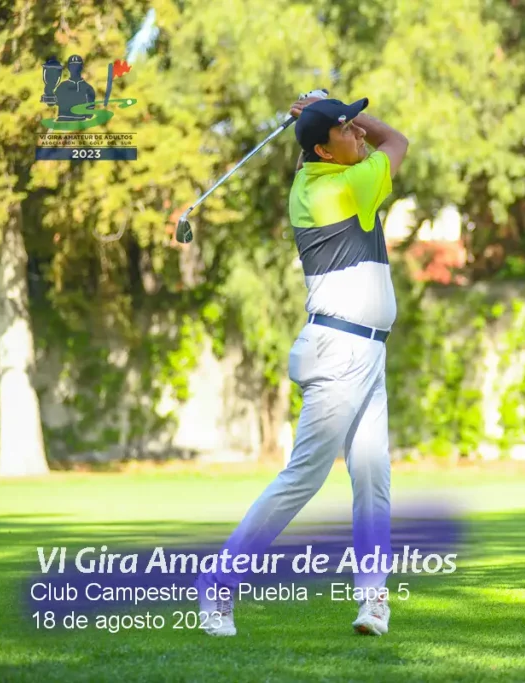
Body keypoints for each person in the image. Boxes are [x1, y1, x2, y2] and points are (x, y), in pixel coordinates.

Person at [197, 93, 409, 637]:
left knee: (372, 475)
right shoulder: (341, 187)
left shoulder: (315, 176)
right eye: (346, 129)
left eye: (355, 124)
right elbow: (396, 141)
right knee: (304, 477)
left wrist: (325, 116)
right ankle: (218, 583)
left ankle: (373, 601)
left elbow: (335, 149)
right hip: (341, 351)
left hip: (367, 350)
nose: (358, 133)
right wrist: (328, 111)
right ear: (323, 150)